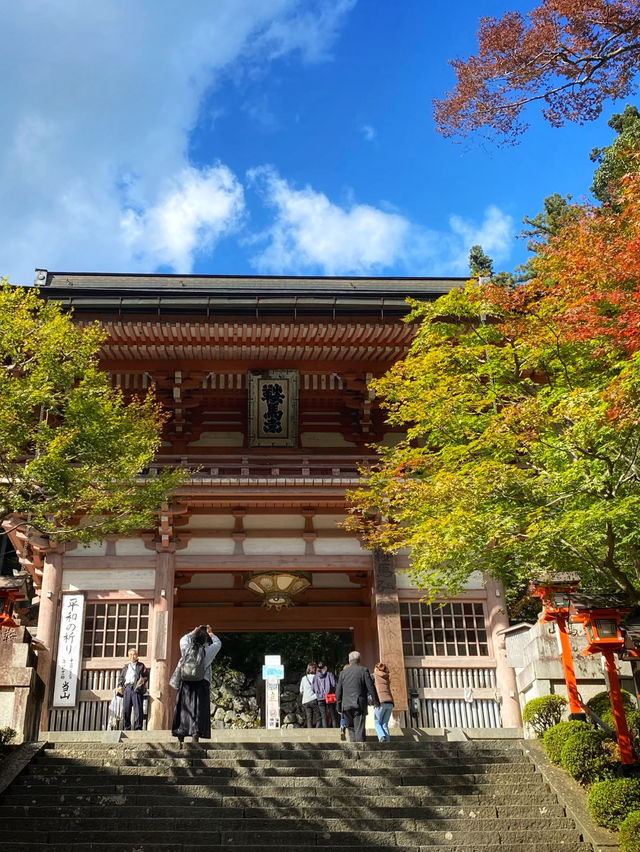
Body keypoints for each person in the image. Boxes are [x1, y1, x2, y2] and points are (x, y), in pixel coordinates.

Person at [172, 624, 221, 744]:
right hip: (201, 682)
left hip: (186, 682)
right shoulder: (207, 651)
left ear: (193, 638)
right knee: (199, 709)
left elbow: (182, 639)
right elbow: (218, 643)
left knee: (184, 707)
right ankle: (195, 734)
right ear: (204, 640)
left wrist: (193, 631)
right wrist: (211, 633)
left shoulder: (185, 648)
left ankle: (181, 733)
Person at [335, 650, 379, 743]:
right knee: (359, 728)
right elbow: (370, 687)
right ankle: (360, 751)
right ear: (359, 660)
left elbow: (338, 691)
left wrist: (338, 707)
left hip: (346, 705)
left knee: (350, 728)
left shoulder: (343, 673)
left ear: (349, 660)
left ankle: (354, 749)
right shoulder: (363, 670)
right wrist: (376, 701)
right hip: (358, 704)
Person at [117, 648, 149, 732]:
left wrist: (142, 681)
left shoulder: (141, 666)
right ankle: (126, 727)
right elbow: (121, 678)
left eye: (134, 654)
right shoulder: (126, 667)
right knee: (126, 709)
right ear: (128, 656)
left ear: (137, 655)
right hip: (127, 688)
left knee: (138, 708)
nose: (132, 656)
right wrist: (120, 686)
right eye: (130, 654)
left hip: (136, 688)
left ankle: (138, 727)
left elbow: (146, 676)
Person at [373, 661, 394, 743]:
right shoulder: (387, 677)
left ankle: (382, 737)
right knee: (384, 724)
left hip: (380, 702)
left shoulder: (375, 676)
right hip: (390, 703)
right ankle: (387, 742)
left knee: (377, 722)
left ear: (377, 668)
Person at [312, 661, 338, 728]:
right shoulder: (329, 674)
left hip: (320, 698)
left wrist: (318, 693)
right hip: (329, 697)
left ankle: (325, 731)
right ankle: (335, 730)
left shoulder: (315, 677)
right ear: (325, 667)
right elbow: (334, 684)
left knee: (323, 716)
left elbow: (313, 688)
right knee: (333, 715)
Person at [299, 662, 320, 728]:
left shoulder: (304, 678)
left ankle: (310, 733)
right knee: (319, 718)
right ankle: (317, 731)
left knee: (309, 718)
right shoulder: (316, 677)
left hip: (306, 700)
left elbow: (301, 690)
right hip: (314, 699)